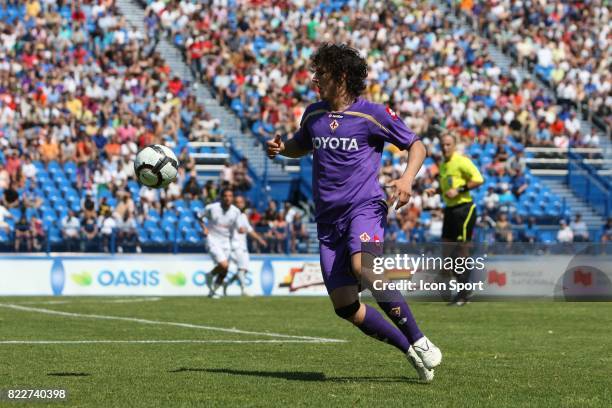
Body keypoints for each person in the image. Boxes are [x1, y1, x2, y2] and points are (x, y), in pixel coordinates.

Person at [266, 44, 437, 382]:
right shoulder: (313, 114)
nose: (315, 79)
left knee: (366, 268)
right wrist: (283, 148)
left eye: (322, 74)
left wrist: (406, 177)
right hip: (328, 220)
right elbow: (303, 143)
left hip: (365, 207)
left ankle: (419, 338)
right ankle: (409, 350)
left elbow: (416, 145)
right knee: (345, 306)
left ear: (341, 77)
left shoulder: (372, 114)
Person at [426, 134, 484, 305]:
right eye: (443, 144)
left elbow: (478, 179)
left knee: (461, 251)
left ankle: (464, 293)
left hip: (464, 209)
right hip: (450, 210)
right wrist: (436, 191)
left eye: (448, 144)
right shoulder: (443, 165)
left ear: (455, 145)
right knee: (447, 253)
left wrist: (460, 190)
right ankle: (463, 289)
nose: (445, 147)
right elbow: (447, 188)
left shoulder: (461, 161)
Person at [199, 189, 242, 298]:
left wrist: (241, 229)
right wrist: (204, 228)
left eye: (230, 196)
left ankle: (213, 291)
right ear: (221, 197)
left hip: (226, 242)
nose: (228, 198)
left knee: (225, 269)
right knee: (224, 265)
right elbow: (200, 216)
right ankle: (210, 275)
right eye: (225, 196)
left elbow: (238, 226)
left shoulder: (236, 211)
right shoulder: (212, 208)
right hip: (212, 240)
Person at [224, 195, 267, 296]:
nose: (239, 204)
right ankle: (244, 289)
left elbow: (249, 230)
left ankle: (227, 283)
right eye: (237, 202)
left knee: (244, 270)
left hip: (243, 246)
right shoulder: (231, 214)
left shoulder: (243, 216)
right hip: (235, 245)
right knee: (241, 268)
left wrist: (259, 239)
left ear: (243, 204)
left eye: (241, 202)